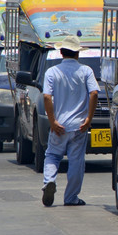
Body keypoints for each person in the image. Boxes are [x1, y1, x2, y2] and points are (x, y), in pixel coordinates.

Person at [41, 35, 99, 207]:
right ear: (77, 54)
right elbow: (94, 93)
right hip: (78, 127)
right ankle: (71, 198)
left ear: (61, 52)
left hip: (59, 125)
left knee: (52, 155)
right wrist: (89, 118)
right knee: (76, 162)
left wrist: (52, 121)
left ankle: (49, 181)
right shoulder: (86, 71)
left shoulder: (52, 72)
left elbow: (46, 96)